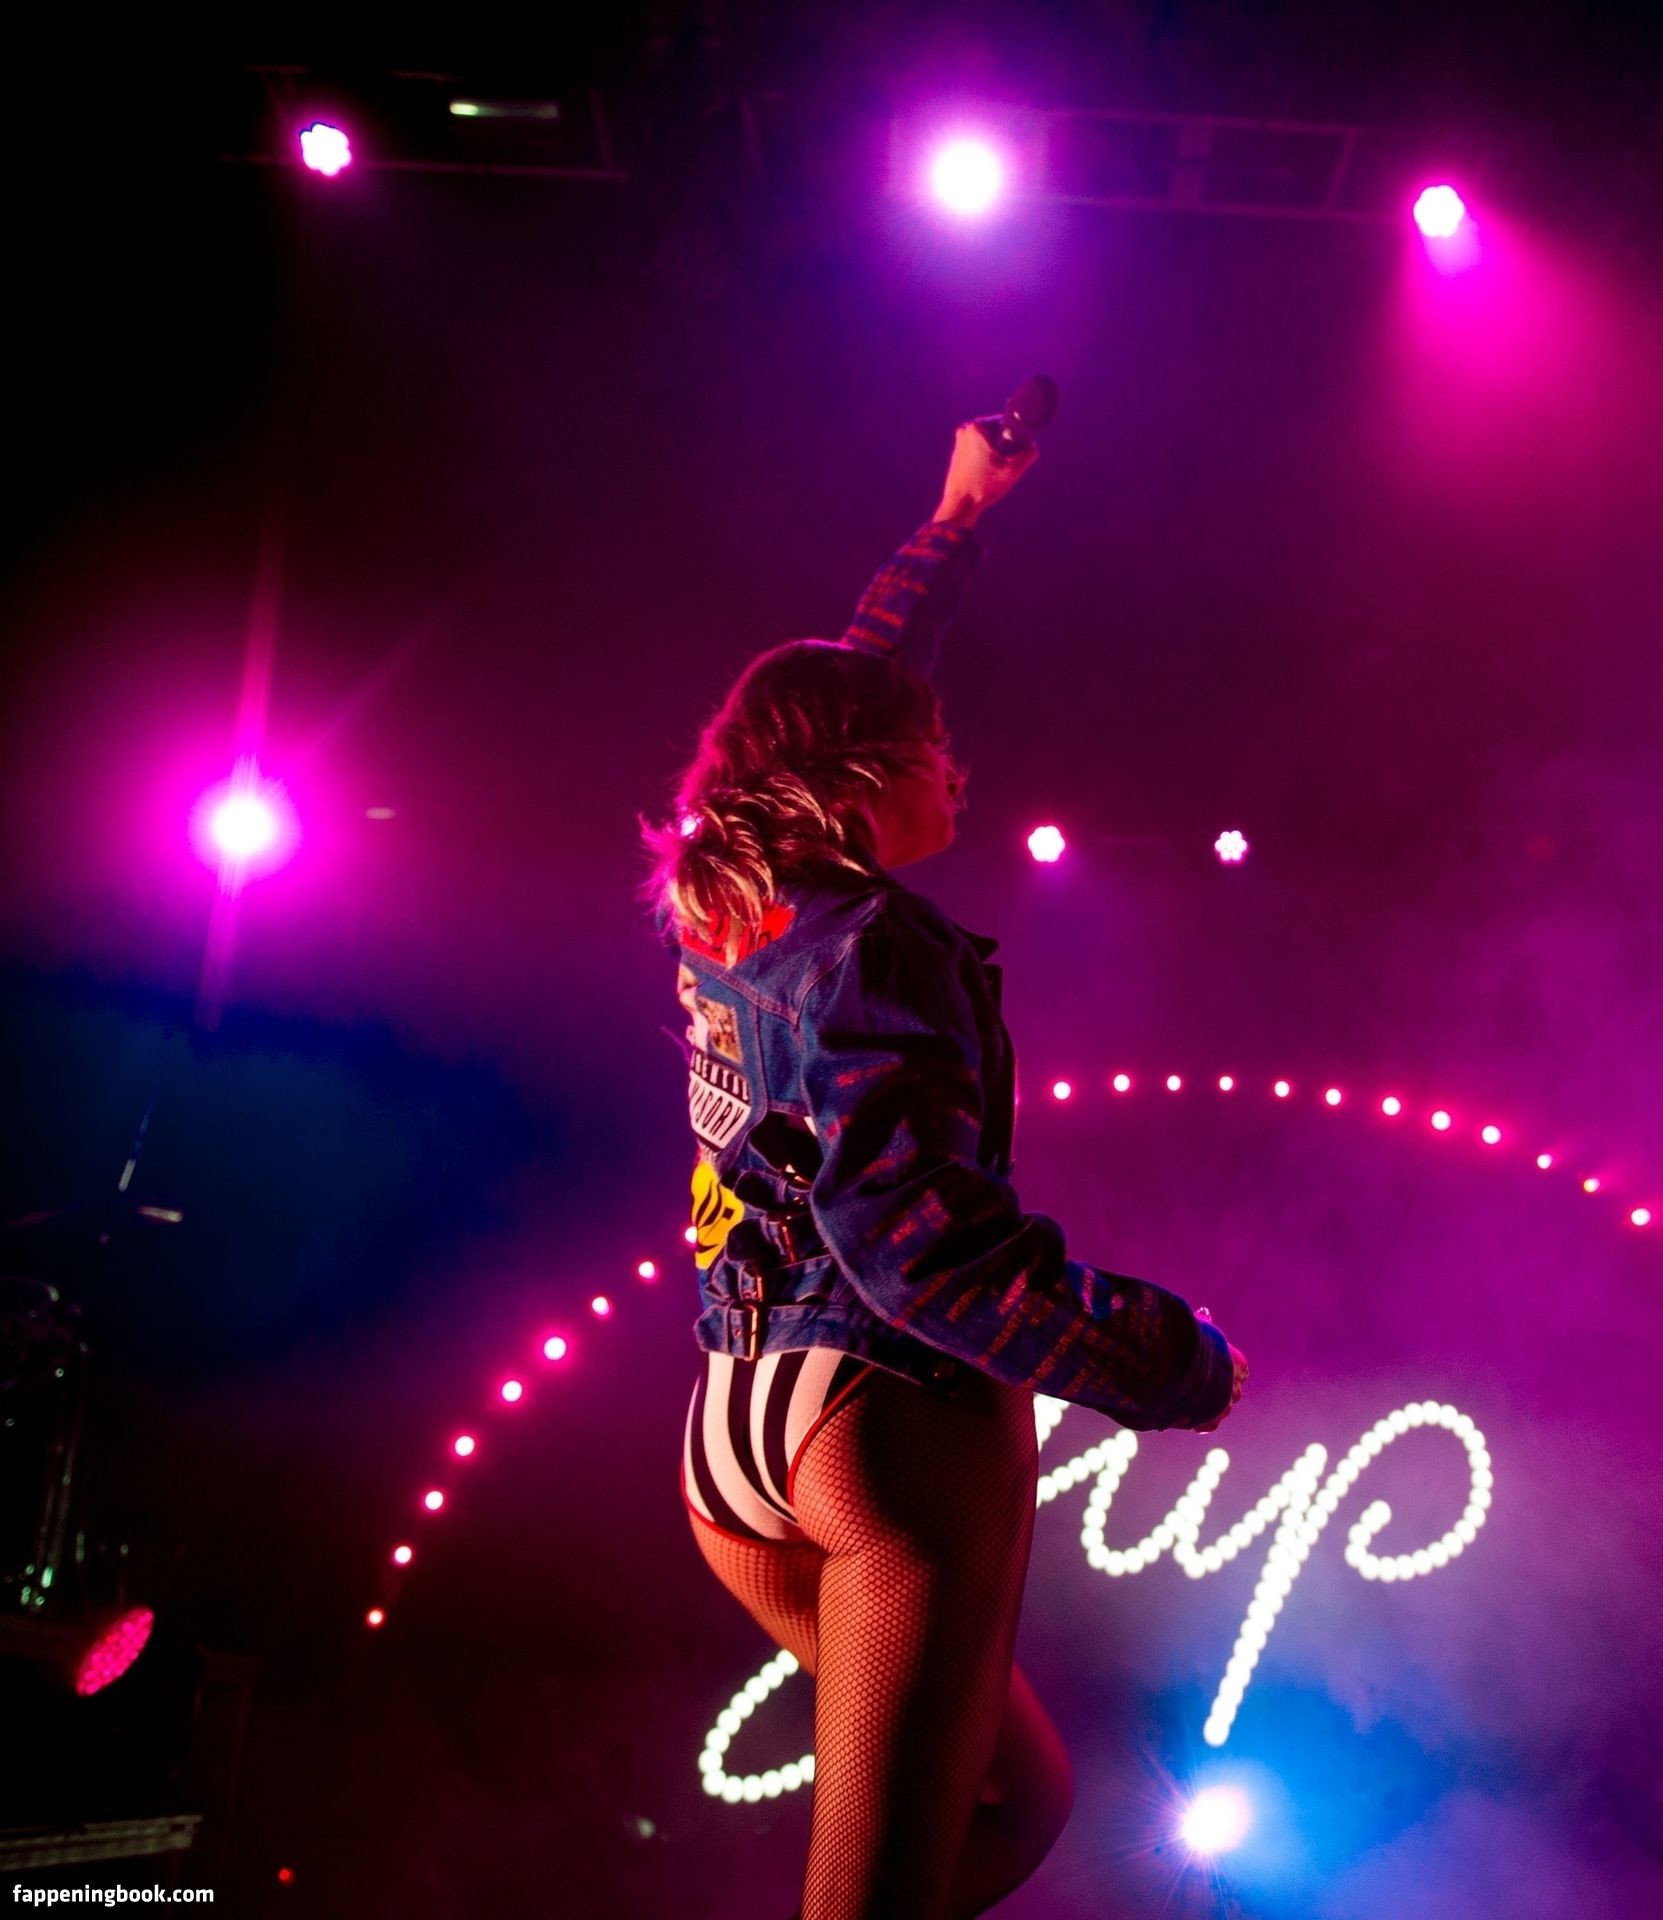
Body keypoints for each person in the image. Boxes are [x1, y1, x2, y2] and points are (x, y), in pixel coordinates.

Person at [639, 421, 1249, 1920]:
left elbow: (843, 686)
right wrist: (1166, 1360)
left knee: (1017, 1800)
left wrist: (955, 515)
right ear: (856, 780)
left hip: (734, 1428)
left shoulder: (738, 900)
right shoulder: (878, 945)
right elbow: (920, 1251)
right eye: (931, 746)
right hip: (882, 1430)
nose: (957, 759)